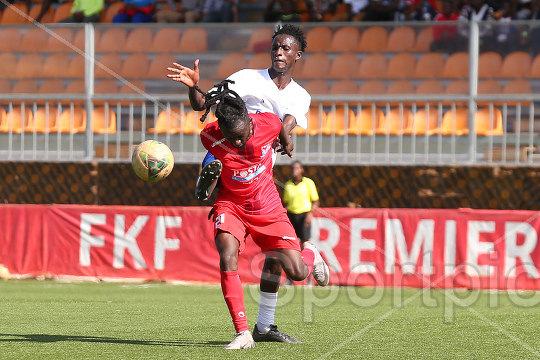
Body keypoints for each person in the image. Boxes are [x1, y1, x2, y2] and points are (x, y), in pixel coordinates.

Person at [167, 23, 311, 344]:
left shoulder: (300, 97)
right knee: (219, 152)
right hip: (231, 160)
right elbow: (205, 103)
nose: (279, 52)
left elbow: (285, 123)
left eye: (286, 48)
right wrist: (195, 87)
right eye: (275, 46)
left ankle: (264, 326)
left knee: (280, 262)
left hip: (260, 174)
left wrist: (283, 140)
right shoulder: (247, 77)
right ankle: (211, 176)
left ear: (297, 54)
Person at [196, 80, 329, 349]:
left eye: (242, 135)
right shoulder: (209, 135)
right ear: (220, 128)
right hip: (231, 204)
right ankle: (243, 333)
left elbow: (282, 126)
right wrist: (206, 184)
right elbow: (211, 161)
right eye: (231, 137)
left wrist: (287, 139)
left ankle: (310, 252)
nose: (238, 141)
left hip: (266, 205)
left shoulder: (267, 122)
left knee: (298, 272)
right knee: (227, 253)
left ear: (250, 121)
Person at [283, 161, 320, 247]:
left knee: (305, 241)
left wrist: (310, 213)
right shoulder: (288, 184)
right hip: (291, 215)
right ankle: (295, 259)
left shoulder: (308, 183)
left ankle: (305, 259)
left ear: (302, 170)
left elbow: (316, 201)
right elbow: (285, 202)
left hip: (304, 214)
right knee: (291, 240)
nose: (294, 170)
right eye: (292, 168)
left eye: (296, 168)